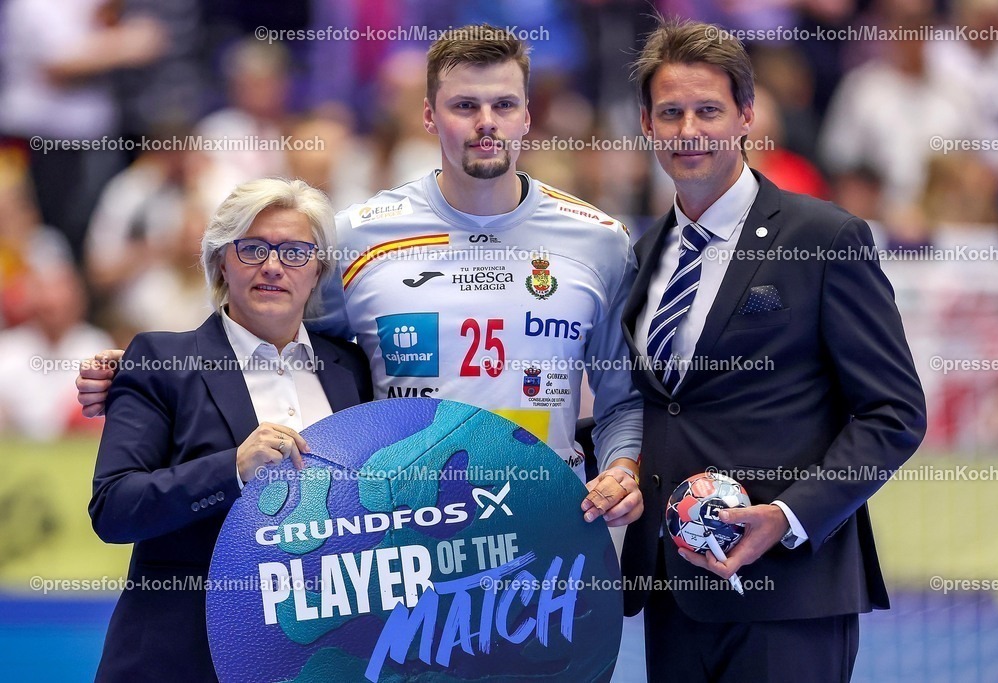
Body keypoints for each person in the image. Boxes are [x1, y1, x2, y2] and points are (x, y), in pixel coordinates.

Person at [79, 25, 644, 527]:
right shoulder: (356, 237)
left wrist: (622, 467)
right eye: (464, 105)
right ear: (428, 116)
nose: (486, 123)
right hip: (404, 538)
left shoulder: (599, 241)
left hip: (547, 529)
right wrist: (156, 376)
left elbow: (622, 403)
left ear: (527, 115)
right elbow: (269, 340)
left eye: (504, 104)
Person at [619, 18, 927, 682]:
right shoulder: (642, 256)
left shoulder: (826, 237)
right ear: (646, 123)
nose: (689, 130)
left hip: (791, 592)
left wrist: (788, 517)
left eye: (708, 110)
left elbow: (894, 413)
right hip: (674, 593)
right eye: (670, 113)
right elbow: (657, 409)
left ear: (747, 115)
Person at [88, 178, 372, 682]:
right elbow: (114, 509)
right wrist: (233, 469)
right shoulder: (161, 361)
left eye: (295, 252)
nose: (273, 265)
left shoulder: (353, 370)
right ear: (221, 261)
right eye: (253, 248)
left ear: (319, 271)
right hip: (184, 660)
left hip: (317, 659)